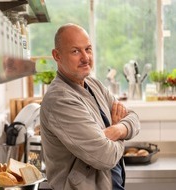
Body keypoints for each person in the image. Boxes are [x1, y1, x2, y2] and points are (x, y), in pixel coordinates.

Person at [40, 23, 140, 190]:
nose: (85, 57)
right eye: (75, 51)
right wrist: (123, 132)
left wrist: (117, 129)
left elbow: (135, 118)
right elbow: (105, 157)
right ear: (57, 55)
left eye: (88, 49)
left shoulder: (94, 84)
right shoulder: (60, 99)